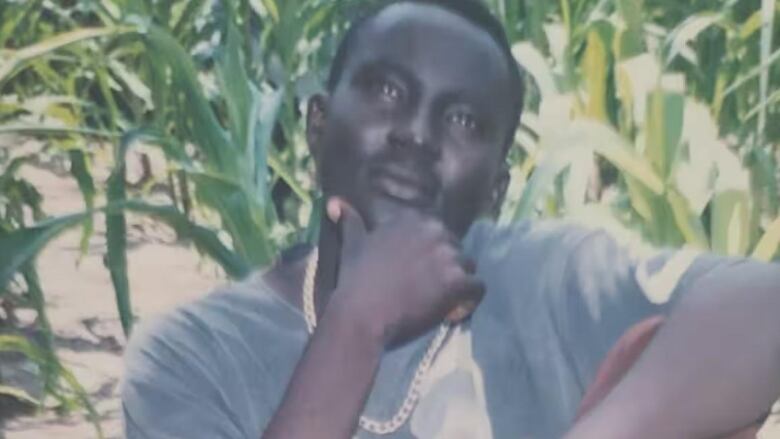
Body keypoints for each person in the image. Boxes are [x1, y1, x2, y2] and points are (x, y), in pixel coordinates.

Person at [121, 1, 780, 438]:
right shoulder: (192, 354)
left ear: (497, 187)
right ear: (317, 125)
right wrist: (357, 321)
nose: (417, 134)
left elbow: (765, 306)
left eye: (463, 120)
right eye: (387, 91)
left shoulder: (539, 279)